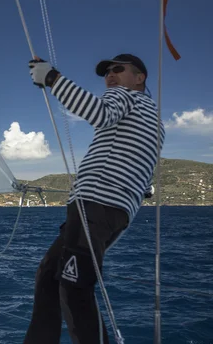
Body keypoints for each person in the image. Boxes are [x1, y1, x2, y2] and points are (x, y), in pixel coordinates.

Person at [23, 54, 165, 344]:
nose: (110, 76)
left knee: (74, 287)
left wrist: (51, 78)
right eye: (106, 72)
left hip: (95, 204)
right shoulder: (155, 123)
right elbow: (141, 165)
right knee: (49, 276)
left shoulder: (126, 98)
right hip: (113, 212)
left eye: (118, 69)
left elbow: (97, 112)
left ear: (139, 79)